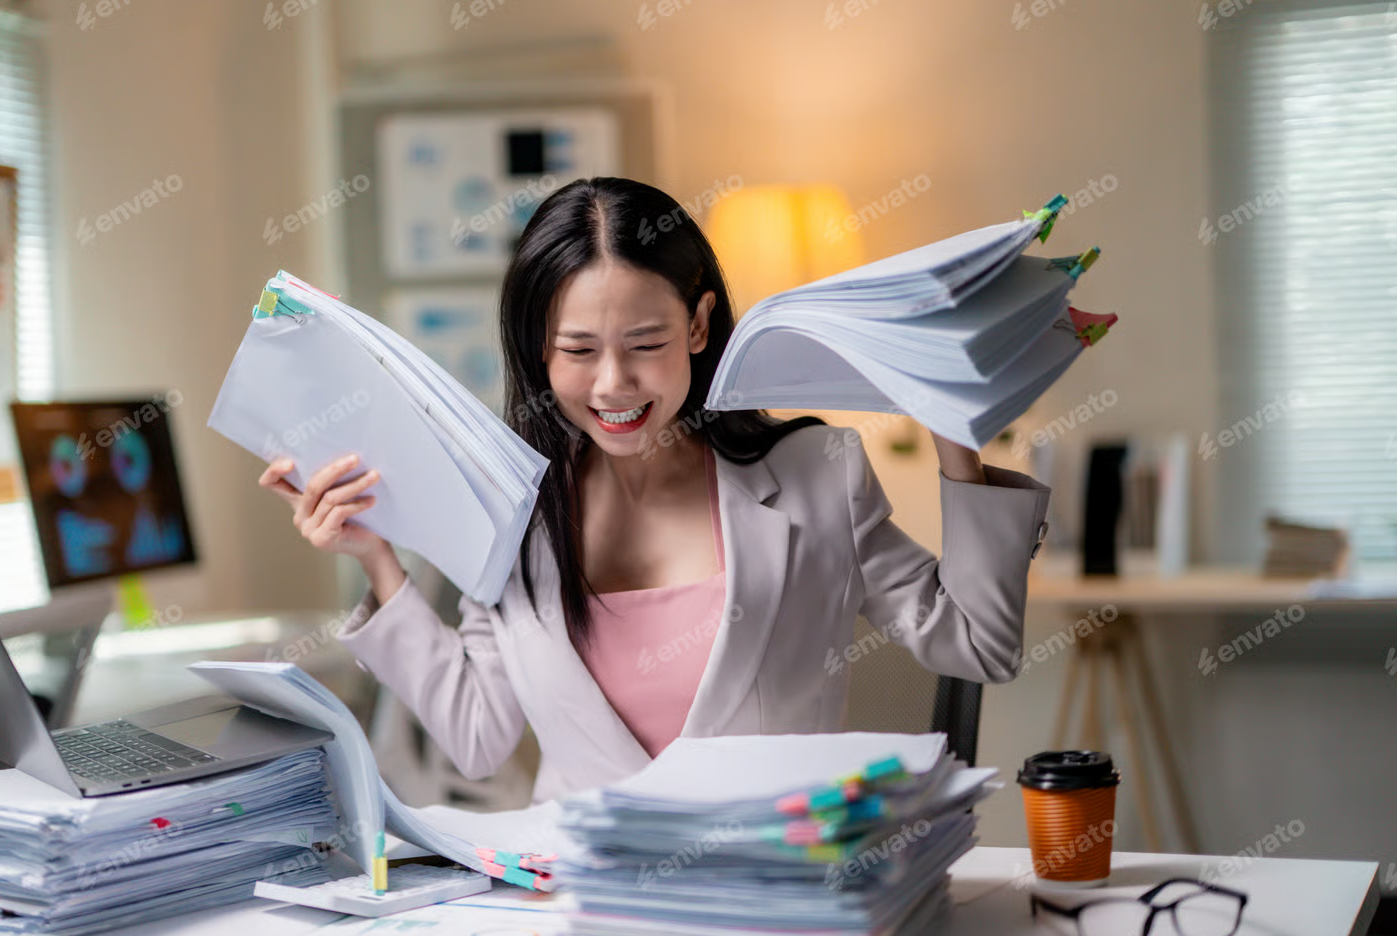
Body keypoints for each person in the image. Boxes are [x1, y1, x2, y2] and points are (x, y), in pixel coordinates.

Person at [261, 176, 1051, 805]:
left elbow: (978, 646)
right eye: (577, 350)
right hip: (583, 908)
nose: (613, 384)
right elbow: (476, 736)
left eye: (646, 344)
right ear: (537, 349)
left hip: (780, 900)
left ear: (701, 325)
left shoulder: (817, 473)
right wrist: (377, 560)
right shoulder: (515, 510)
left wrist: (955, 431)